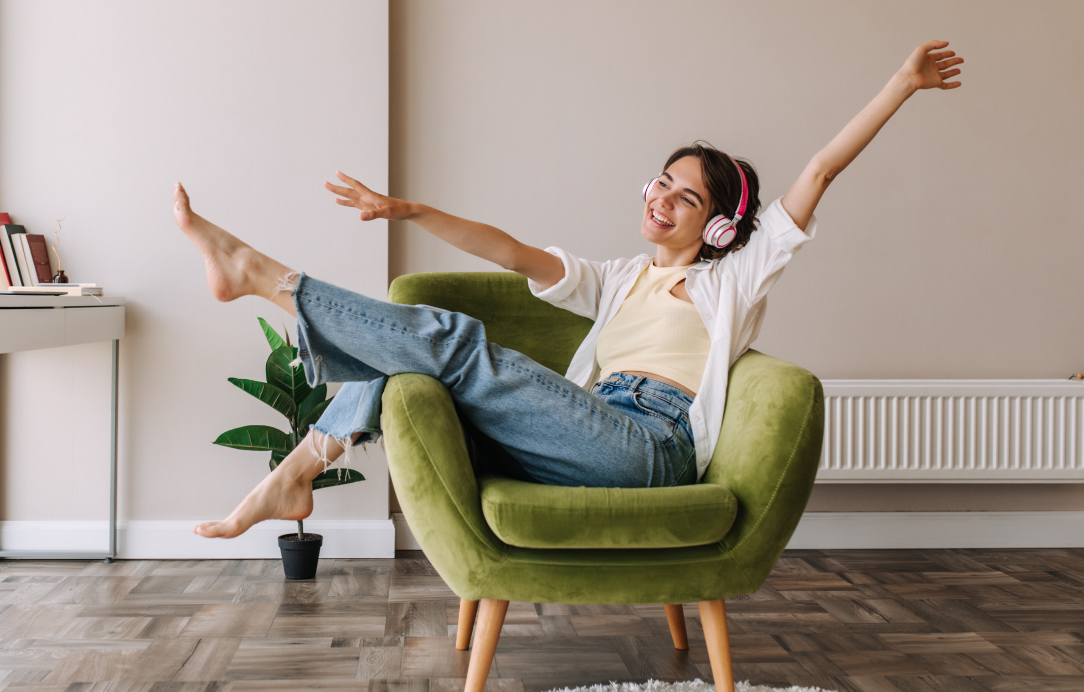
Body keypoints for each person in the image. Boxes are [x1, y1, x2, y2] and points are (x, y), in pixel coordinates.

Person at [182, 40, 963, 539]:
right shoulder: (619, 280)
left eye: (686, 198)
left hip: (648, 448)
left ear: (719, 226)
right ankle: (297, 475)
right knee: (413, 369)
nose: (661, 199)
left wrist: (902, 82)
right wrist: (409, 209)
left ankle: (268, 279)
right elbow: (514, 253)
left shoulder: (733, 278)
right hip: (584, 431)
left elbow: (818, 171)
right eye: (661, 182)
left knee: (455, 341)